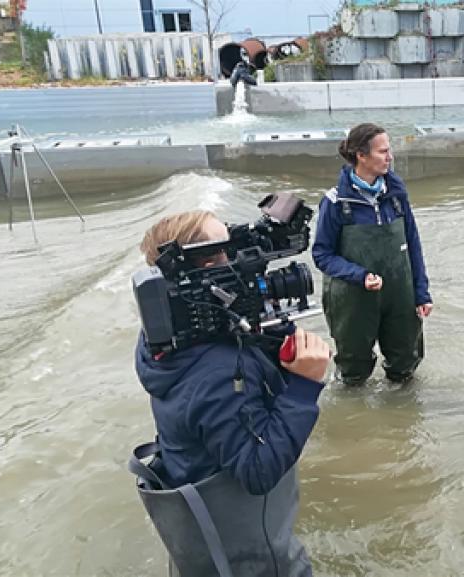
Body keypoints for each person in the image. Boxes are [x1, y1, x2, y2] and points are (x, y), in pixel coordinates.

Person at [131, 210, 330, 577]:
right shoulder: (219, 373)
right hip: (246, 562)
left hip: (208, 545)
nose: (241, 261)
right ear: (202, 273)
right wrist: (305, 386)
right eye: (226, 253)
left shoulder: (167, 343)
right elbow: (257, 470)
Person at [312, 123, 433, 386]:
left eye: (389, 151)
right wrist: (360, 275)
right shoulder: (335, 203)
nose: (390, 157)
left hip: (400, 295)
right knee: (353, 374)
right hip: (353, 300)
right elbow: (322, 255)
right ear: (361, 156)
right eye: (383, 152)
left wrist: (421, 292)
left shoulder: (397, 196)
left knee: (405, 368)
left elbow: (413, 244)